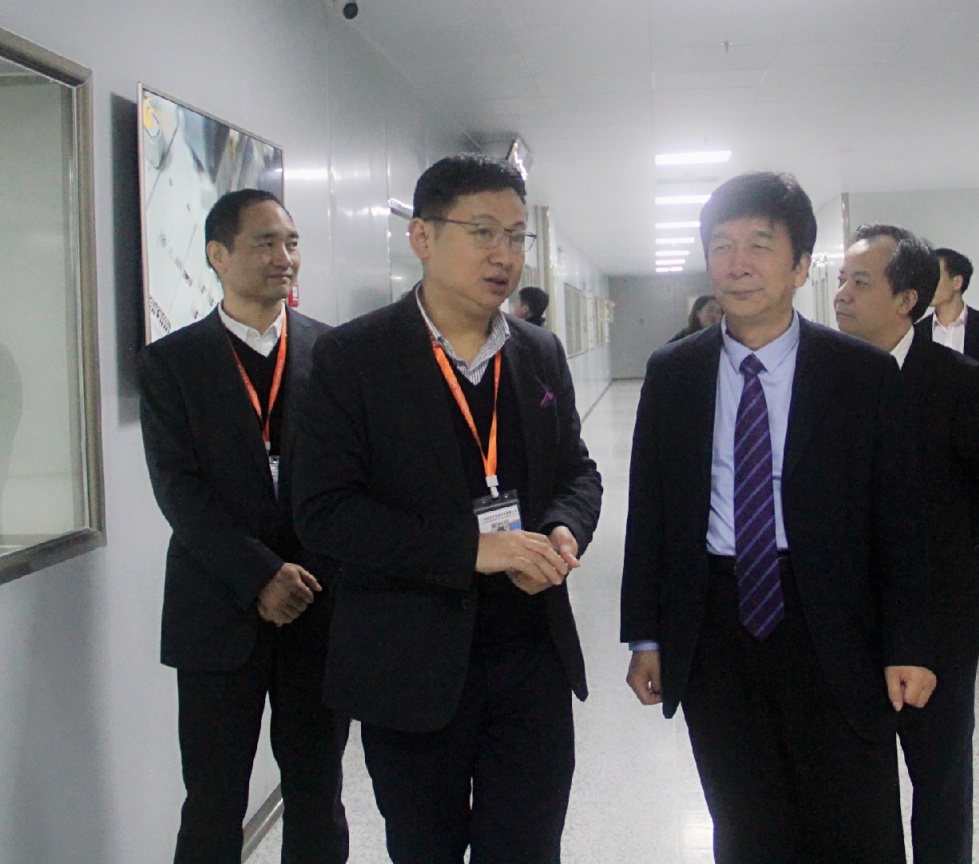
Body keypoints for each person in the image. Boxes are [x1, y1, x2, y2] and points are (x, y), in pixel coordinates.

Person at [292, 153, 602, 863]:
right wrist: (470, 548)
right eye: (483, 232)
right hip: (410, 660)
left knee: (528, 848)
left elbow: (577, 472)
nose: (505, 255)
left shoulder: (539, 352)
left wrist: (563, 529)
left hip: (531, 655)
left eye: (517, 236)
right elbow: (324, 511)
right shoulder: (351, 357)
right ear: (422, 237)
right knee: (423, 847)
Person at [621, 171, 936, 863]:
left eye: (759, 245)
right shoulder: (673, 373)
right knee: (745, 820)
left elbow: (902, 520)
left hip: (833, 616)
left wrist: (909, 642)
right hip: (716, 619)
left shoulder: (861, 374)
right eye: (722, 246)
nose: (738, 264)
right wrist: (646, 634)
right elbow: (652, 511)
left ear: (800, 266)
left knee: (856, 818)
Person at [138, 189, 349, 863]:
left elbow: (351, 478)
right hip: (217, 608)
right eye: (265, 243)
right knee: (213, 798)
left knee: (318, 790)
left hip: (318, 605)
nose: (284, 257)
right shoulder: (173, 363)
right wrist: (261, 576)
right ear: (218, 256)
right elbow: (180, 490)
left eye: (291, 242)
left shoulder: (333, 353)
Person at [835, 224, 979, 864]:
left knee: (939, 778)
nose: (841, 295)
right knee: (857, 782)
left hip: (938, 615)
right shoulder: (825, 383)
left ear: (906, 299)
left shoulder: (959, 381)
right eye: (841, 280)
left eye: (860, 282)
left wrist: (957, 545)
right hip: (848, 615)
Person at [917, 247, 979, 647]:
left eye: (935, 276)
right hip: (931, 452)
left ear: (957, 282)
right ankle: (941, 613)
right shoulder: (917, 333)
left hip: (978, 450)